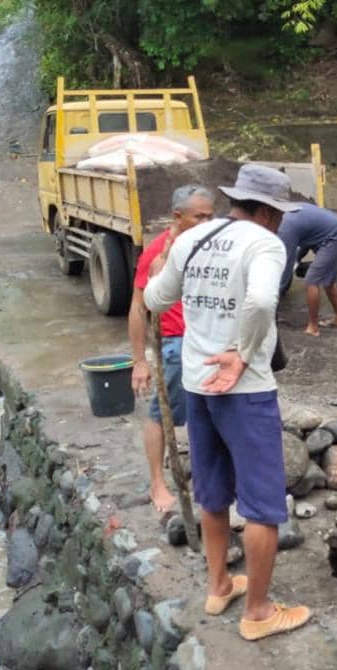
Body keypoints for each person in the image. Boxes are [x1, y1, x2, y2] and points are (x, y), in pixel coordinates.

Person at [144, 164, 312, 641]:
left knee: (212, 492)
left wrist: (159, 273)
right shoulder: (264, 243)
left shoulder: (193, 237)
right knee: (261, 505)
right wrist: (240, 355)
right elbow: (260, 303)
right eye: (278, 214)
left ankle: (219, 585)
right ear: (268, 213)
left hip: (198, 386)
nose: (280, 223)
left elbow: (156, 300)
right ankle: (258, 612)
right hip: (245, 390)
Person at [128, 185, 214, 512]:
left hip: (207, 340)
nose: (207, 222)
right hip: (175, 343)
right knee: (161, 413)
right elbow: (138, 308)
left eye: (211, 215)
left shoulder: (209, 247)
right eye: (199, 217)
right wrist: (139, 361)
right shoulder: (158, 253)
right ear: (178, 216)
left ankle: (205, 474)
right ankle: (157, 482)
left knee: (203, 409)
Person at [277, 202, 337, 336]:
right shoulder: (286, 214)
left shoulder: (284, 227)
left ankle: (313, 326)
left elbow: (286, 265)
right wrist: (297, 260)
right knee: (328, 281)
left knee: (311, 281)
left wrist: (277, 293)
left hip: (334, 237)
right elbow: (302, 244)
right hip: (334, 231)